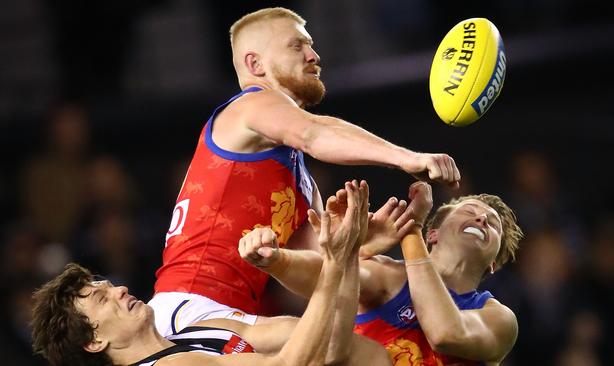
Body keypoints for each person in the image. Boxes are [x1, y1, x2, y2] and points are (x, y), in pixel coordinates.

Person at [152, 6, 460, 336]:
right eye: (296, 46)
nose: (313, 55)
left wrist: (361, 241)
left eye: (311, 45)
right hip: (191, 306)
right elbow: (314, 133)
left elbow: (306, 270)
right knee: (353, 351)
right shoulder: (249, 105)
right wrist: (406, 158)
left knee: (346, 345)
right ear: (255, 64)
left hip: (223, 316)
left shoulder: (297, 179)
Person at [31, 181, 391, 366]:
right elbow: (294, 363)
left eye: (108, 286)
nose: (120, 289)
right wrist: (336, 258)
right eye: (101, 298)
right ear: (93, 342)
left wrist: (348, 253)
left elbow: (331, 347)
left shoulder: (199, 333)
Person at [240, 182, 524, 365]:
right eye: (470, 211)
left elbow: (445, 333)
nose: (482, 219)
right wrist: (275, 259)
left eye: (493, 225)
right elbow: (324, 278)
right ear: (434, 233)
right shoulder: (390, 275)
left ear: (493, 265)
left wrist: (410, 225)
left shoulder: (498, 318)